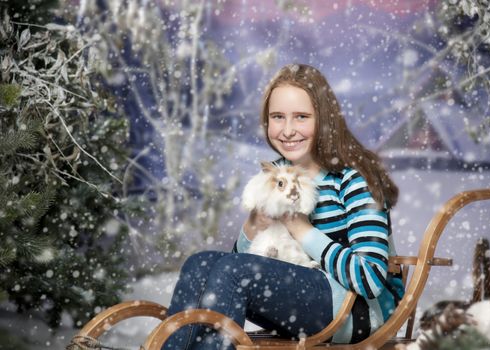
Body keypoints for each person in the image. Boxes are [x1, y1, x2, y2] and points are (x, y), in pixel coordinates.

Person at [162, 63, 405, 350]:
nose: (288, 130)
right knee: (201, 263)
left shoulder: (353, 180)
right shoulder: (276, 174)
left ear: (325, 120)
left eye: (301, 117)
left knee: (233, 272)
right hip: (299, 300)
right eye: (278, 117)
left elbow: (371, 278)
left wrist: (301, 229)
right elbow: (228, 278)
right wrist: (253, 226)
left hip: (355, 312)